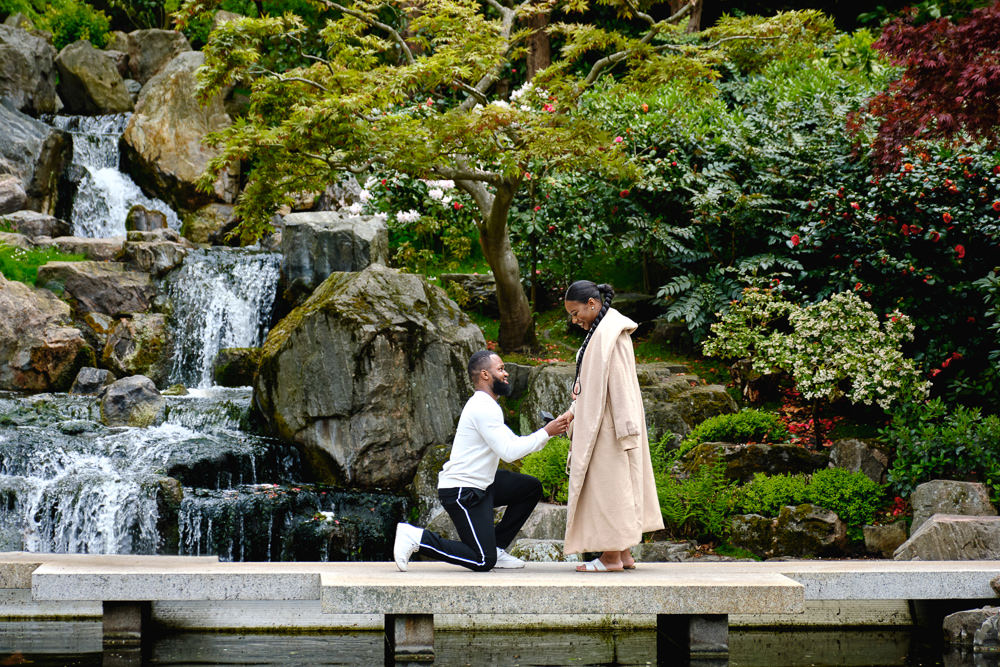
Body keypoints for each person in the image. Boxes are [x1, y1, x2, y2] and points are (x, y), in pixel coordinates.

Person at [393, 350, 573, 572]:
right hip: (462, 491)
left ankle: (496, 547)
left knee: (530, 488)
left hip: (482, 484)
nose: (506, 373)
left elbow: (512, 442)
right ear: (485, 375)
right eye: (501, 369)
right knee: (482, 561)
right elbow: (509, 451)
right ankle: (417, 538)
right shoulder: (482, 408)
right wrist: (547, 432)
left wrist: (549, 431)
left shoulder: (489, 406)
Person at [562, 281, 663, 572]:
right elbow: (590, 385)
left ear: (592, 304)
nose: (574, 319)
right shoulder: (600, 331)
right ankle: (624, 554)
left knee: (610, 491)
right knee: (614, 488)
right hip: (603, 421)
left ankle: (610, 558)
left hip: (611, 427)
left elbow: (621, 385)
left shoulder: (612, 334)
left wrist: (627, 430)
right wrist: (574, 411)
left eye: (575, 312)